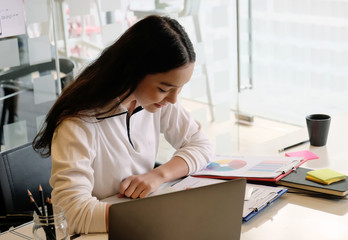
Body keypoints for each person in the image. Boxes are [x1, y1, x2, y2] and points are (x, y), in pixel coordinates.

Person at [32, 15, 213, 234]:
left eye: (179, 88)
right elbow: (72, 212)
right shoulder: (78, 123)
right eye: (165, 89)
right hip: (106, 231)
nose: (173, 100)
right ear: (131, 71)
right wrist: (153, 218)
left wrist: (157, 175)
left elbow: (202, 144)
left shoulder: (154, 102)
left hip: (141, 224)